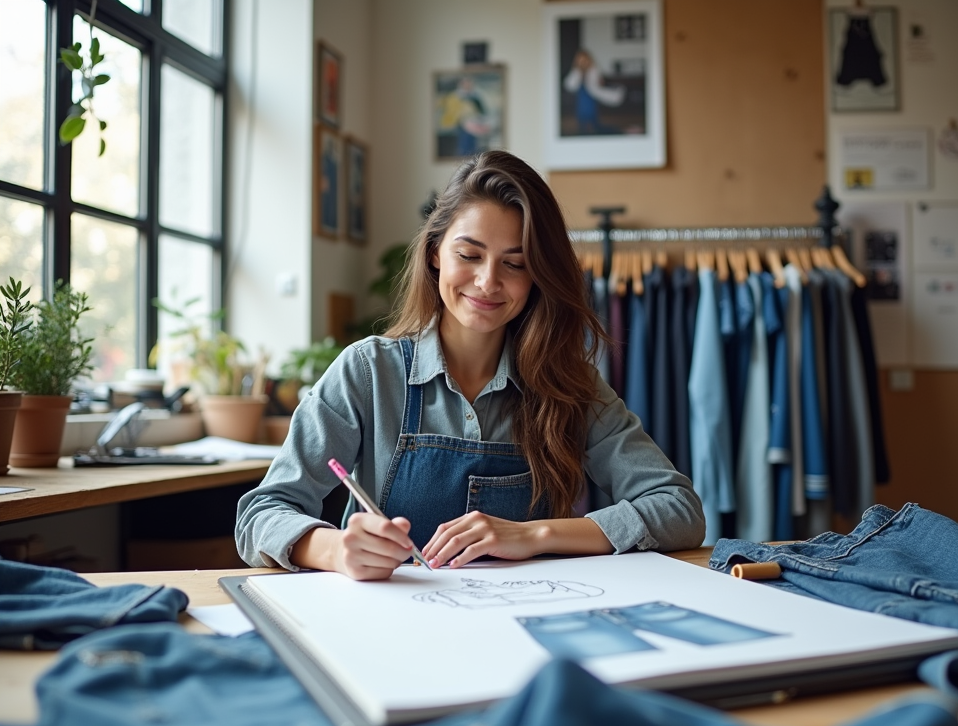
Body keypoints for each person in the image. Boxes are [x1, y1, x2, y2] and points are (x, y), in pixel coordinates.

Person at [236, 151, 704, 580]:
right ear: (436, 252)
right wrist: (336, 550)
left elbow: (679, 509)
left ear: (538, 277)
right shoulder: (367, 371)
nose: (488, 281)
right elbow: (261, 514)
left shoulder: (570, 386)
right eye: (469, 254)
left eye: (515, 264)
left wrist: (536, 535)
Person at [562, 50, 626, 135]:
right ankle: (586, 129)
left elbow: (596, 87)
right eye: (580, 60)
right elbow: (570, 86)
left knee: (593, 124)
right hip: (579, 102)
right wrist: (578, 71)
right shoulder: (575, 71)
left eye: (584, 60)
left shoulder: (594, 69)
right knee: (583, 124)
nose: (582, 63)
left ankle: (611, 131)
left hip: (591, 100)